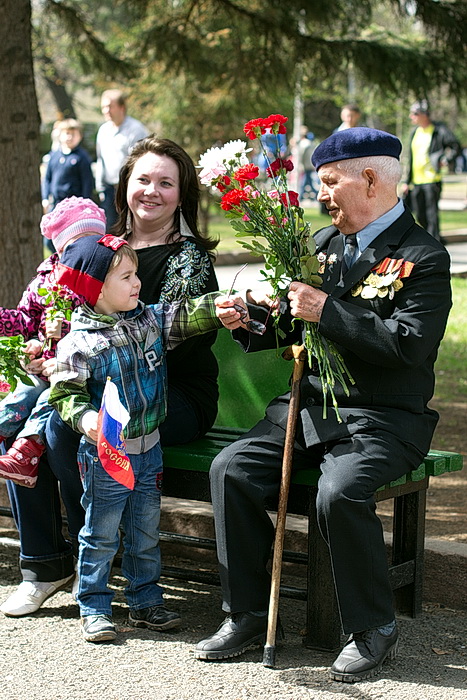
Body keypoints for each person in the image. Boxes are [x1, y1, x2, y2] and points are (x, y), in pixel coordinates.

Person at [195, 127, 452, 683]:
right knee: (230, 470)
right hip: (307, 412)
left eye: (330, 183)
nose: (322, 195)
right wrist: (253, 321)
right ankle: (247, 615)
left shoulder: (423, 256)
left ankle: (372, 627)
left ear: (369, 179)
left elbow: (408, 347)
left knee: (339, 492)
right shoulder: (321, 246)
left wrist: (326, 310)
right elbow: (292, 327)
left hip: (384, 418)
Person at [1, 137, 220, 618]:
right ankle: (44, 565)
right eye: (143, 179)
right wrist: (47, 352)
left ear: (182, 195)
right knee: (18, 424)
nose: (152, 191)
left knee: (63, 426)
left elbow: (171, 333)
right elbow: (53, 311)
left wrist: (76, 362)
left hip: (168, 393)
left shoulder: (189, 259)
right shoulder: (96, 247)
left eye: (166, 182)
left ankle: (93, 557)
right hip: (96, 382)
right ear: (124, 187)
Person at [48, 233, 224, 642]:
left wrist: (221, 306)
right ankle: (93, 604)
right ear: (97, 289)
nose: (137, 283)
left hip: (149, 450)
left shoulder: (148, 319)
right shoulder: (79, 344)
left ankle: (146, 601)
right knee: (101, 532)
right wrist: (87, 418)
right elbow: (64, 392)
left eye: (135, 275)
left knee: (145, 531)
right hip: (107, 456)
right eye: (127, 277)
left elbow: (187, 314)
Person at [0, 198, 105, 487]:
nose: (87, 254)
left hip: (78, 374)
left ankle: (26, 453)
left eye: (95, 244)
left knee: (52, 398)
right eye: (77, 245)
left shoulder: (103, 284)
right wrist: (30, 342)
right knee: (22, 392)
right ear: (60, 249)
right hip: (42, 367)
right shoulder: (44, 282)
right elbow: (26, 320)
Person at [402, 100, 461, 242]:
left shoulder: (439, 130)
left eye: (415, 113)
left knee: (432, 215)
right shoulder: (414, 133)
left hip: (432, 180)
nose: (412, 116)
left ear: (424, 114)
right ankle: (434, 240)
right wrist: (406, 181)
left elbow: (455, 146)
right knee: (420, 214)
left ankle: (435, 245)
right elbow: (411, 158)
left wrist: (445, 160)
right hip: (416, 181)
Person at [95, 89, 148, 230]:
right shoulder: (103, 130)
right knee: (110, 230)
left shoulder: (136, 130)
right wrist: (100, 187)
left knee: (130, 228)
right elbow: (100, 159)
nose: (106, 110)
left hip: (128, 188)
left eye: (110, 106)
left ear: (122, 108)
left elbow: (141, 163)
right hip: (108, 190)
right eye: (103, 107)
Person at [41, 119, 95, 253]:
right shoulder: (54, 156)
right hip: (56, 204)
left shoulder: (81, 158)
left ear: (79, 136)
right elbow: (47, 179)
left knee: (70, 237)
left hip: (73, 205)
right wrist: (45, 198)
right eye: (66, 133)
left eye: (73, 133)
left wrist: (84, 204)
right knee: (49, 239)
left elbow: (87, 182)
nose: (69, 137)